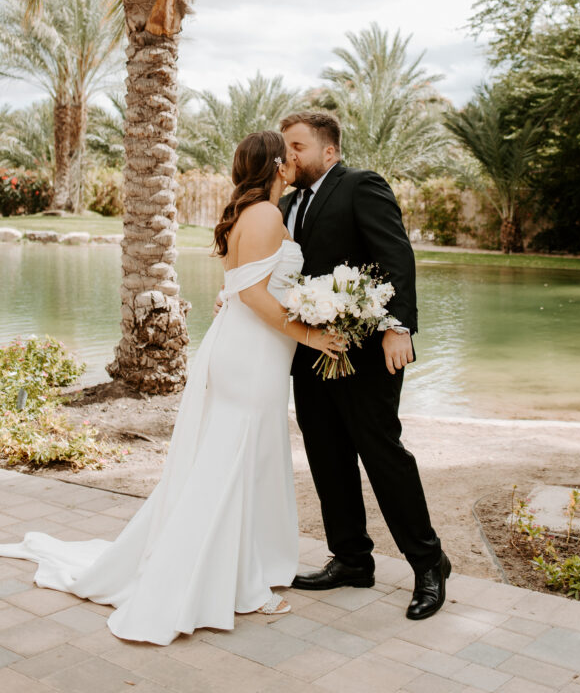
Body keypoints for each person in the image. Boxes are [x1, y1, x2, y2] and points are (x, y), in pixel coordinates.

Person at [0, 131, 344, 645]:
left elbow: (243, 288)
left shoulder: (243, 212)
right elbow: (252, 293)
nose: (295, 160)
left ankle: (240, 564)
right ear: (275, 166)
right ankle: (235, 580)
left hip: (245, 349)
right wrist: (314, 335)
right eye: (288, 154)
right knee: (239, 462)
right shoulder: (268, 216)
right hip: (253, 354)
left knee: (236, 458)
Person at [280, 110, 450, 621]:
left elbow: (396, 255)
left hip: (367, 354)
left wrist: (399, 327)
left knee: (382, 455)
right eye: (285, 146)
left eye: (297, 147)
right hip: (310, 353)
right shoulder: (286, 205)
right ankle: (352, 559)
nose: (287, 155)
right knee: (327, 456)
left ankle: (428, 563)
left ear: (328, 151)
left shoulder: (361, 185)